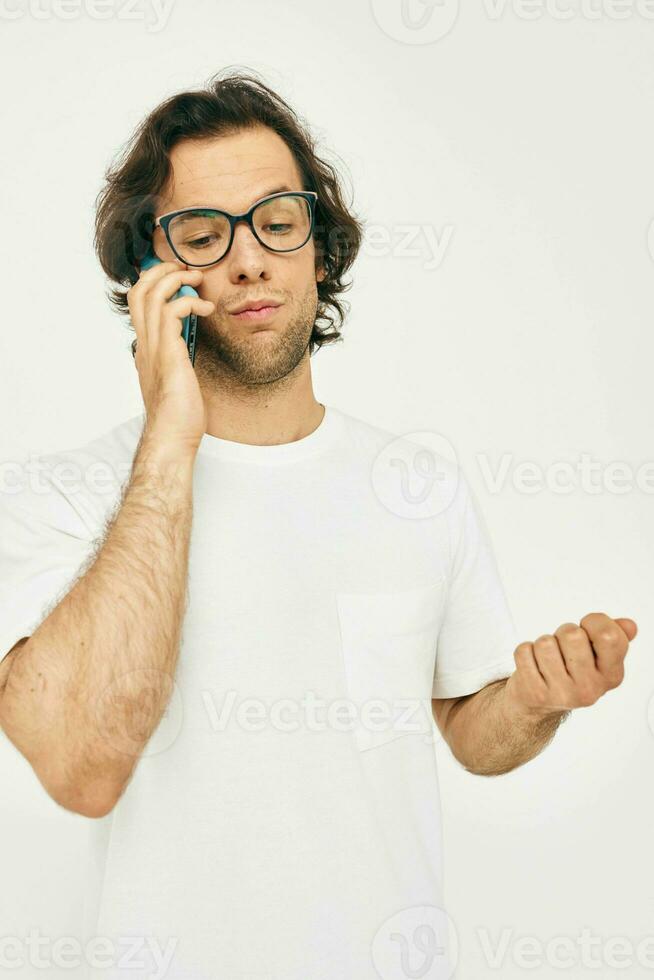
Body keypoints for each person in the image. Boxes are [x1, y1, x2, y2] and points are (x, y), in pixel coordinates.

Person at [0, 69, 637, 980]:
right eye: (202, 233)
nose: (249, 257)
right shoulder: (61, 497)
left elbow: (468, 727)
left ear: (319, 251)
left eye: (278, 220)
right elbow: (81, 768)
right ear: (152, 274)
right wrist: (171, 440)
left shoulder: (417, 483)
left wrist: (536, 700)